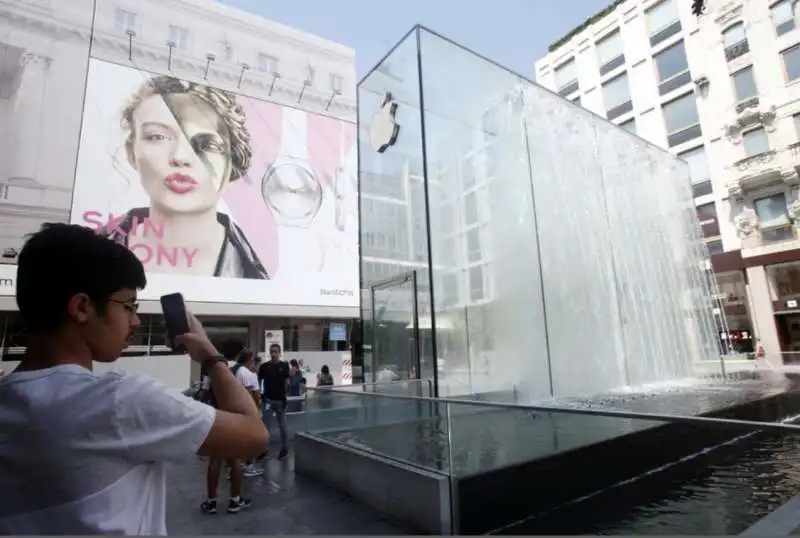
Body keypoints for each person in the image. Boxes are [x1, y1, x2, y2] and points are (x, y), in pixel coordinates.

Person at [0, 223, 268, 535]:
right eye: (128, 306)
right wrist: (209, 353)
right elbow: (254, 434)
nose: (135, 321)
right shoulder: (119, 402)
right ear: (82, 307)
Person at [100, 75, 269, 279]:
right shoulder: (88, 254)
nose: (180, 157)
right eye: (157, 137)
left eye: (208, 145)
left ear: (232, 161)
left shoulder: (254, 274)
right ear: (131, 152)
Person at [257, 343, 290, 460]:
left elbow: (286, 382)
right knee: (265, 426)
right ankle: (263, 450)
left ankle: (285, 449)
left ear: (279, 353)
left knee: (283, 425)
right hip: (268, 400)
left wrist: (285, 397)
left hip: (280, 400)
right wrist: (261, 395)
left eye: (276, 351)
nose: (274, 354)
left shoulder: (285, 366)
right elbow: (258, 379)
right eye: (272, 352)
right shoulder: (265, 367)